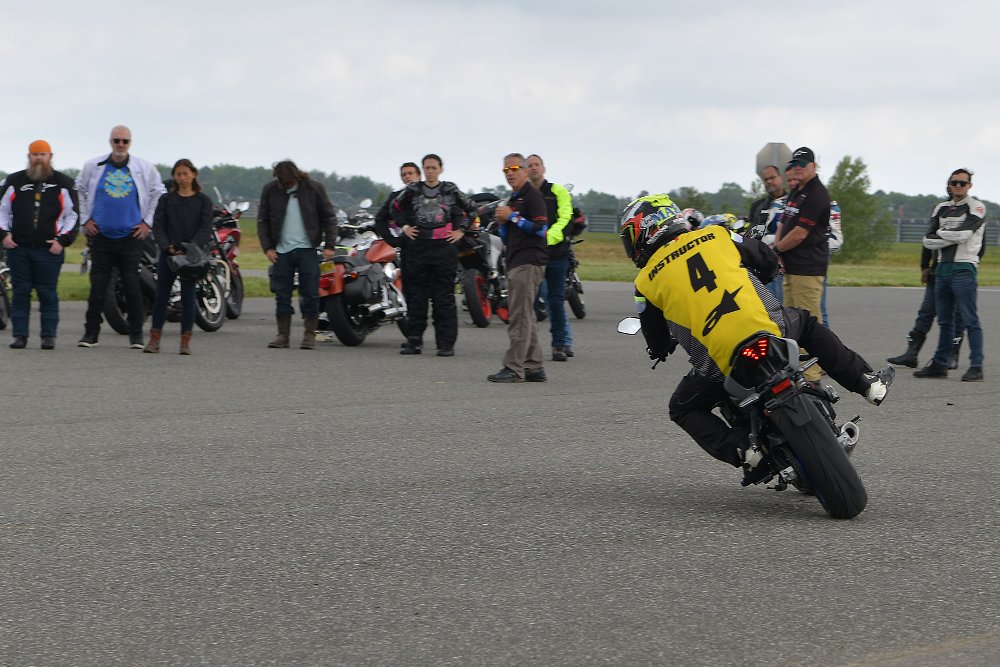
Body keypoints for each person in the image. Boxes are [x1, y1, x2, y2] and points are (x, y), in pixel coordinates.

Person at [620, 195, 893, 482]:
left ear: (646, 229)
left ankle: (744, 451)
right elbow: (763, 256)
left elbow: (655, 335)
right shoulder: (716, 234)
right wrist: (766, 271)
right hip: (770, 329)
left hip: (719, 363)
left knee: (683, 407)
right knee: (808, 324)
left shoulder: (645, 283)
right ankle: (866, 383)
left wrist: (659, 349)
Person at [76, 125, 166, 349]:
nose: (120, 145)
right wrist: (85, 219)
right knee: (98, 287)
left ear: (130, 143)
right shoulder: (93, 166)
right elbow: (78, 190)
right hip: (101, 237)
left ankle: (136, 335)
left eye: (125, 141)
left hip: (131, 237)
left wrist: (148, 222)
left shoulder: (143, 167)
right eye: (117, 141)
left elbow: (158, 192)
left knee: (132, 285)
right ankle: (90, 334)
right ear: (110, 142)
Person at [0, 140, 79, 349]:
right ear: (29, 157)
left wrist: (62, 241)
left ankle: (48, 336)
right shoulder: (14, 181)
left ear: (50, 157)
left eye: (42, 155)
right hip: (19, 249)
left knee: (47, 293)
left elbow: (73, 216)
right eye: (35, 155)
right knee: (20, 292)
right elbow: (2, 210)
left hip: (49, 250)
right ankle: (20, 336)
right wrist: (4, 235)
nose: (38, 158)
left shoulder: (63, 183)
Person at [390, 154, 471, 357]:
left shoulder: (450, 190)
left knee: (443, 297)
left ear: (441, 169)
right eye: (427, 168)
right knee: (417, 297)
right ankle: (414, 341)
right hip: (418, 248)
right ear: (423, 169)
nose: (430, 171)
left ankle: (445, 344)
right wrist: (405, 226)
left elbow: (471, 209)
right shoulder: (412, 190)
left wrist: (461, 230)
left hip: (444, 248)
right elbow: (395, 208)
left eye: (434, 167)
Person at [913, 169, 986, 381]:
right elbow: (927, 240)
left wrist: (942, 235)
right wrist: (950, 238)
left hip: (964, 269)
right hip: (942, 269)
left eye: (963, 183)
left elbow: (965, 235)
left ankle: (977, 365)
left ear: (969, 185)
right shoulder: (940, 208)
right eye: (955, 182)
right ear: (949, 184)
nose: (958, 186)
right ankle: (940, 364)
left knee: (970, 320)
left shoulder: (976, 207)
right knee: (945, 322)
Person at [257, 159, 338, 350]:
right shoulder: (270, 190)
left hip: (308, 249)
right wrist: (267, 247)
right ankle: (282, 335)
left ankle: (309, 334)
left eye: (288, 182)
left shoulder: (314, 189)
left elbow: (329, 217)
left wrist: (330, 245)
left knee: (310, 293)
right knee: (282, 294)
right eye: (281, 183)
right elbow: (263, 220)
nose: (285, 186)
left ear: (296, 175)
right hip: (281, 252)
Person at [886, 186, 969, 370]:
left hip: (958, 270)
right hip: (937, 270)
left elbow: (979, 245)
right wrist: (925, 266)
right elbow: (928, 239)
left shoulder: (971, 211)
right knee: (925, 312)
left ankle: (952, 355)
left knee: (955, 315)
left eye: (959, 183)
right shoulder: (939, 209)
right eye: (951, 183)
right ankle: (911, 353)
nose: (954, 187)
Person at [488, 153, 549, 382]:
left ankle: (514, 368)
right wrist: (504, 223)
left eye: (514, 168)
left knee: (519, 317)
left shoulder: (533, 196)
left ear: (525, 170)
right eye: (506, 170)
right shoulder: (513, 199)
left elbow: (541, 229)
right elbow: (506, 238)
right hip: (515, 261)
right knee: (526, 316)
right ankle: (534, 366)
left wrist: (512, 217)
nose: (510, 173)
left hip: (529, 261)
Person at [143, 159, 214, 355]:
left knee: (188, 298)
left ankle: (185, 341)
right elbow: (158, 226)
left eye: (185, 173)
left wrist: (189, 248)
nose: (182, 178)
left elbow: (205, 228)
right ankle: (154, 339)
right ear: (174, 177)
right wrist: (168, 247)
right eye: (178, 174)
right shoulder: (166, 200)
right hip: (169, 256)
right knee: (161, 297)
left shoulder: (203, 201)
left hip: (191, 257)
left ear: (194, 174)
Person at [773, 147, 830, 380]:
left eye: (803, 165)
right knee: (792, 323)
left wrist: (775, 250)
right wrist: (778, 254)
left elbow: (799, 233)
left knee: (808, 323)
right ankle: (797, 368)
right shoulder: (796, 191)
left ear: (813, 167)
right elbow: (782, 224)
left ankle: (813, 375)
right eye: (795, 164)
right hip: (790, 267)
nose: (798, 168)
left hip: (807, 269)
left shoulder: (817, 194)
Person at [526, 154, 574, 361]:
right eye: (530, 166)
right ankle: (529, 346)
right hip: (531, 256)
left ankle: (560, 344)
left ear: (543, 168)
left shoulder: (558, 191)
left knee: (555, 300)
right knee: (531, 302)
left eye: (537, 165)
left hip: (556, 255)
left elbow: (565, 217)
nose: (534, 168)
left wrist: (547, 238)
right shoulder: (523, 194)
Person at [747, 164, 787, 302]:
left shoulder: (792, 203)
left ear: (781, 178)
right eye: (765, 179)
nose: (769, 181)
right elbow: (752, 235)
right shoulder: (758, 206)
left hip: (787, 267)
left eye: (772, 178)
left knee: (787, 312)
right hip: (764, 267)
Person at [819, 200, 844, 327]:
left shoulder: (831, 207)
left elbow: (837, 241)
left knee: (818, 308)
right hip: (784, 263)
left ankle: (825, 345)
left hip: (815, 263)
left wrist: (813, 246)